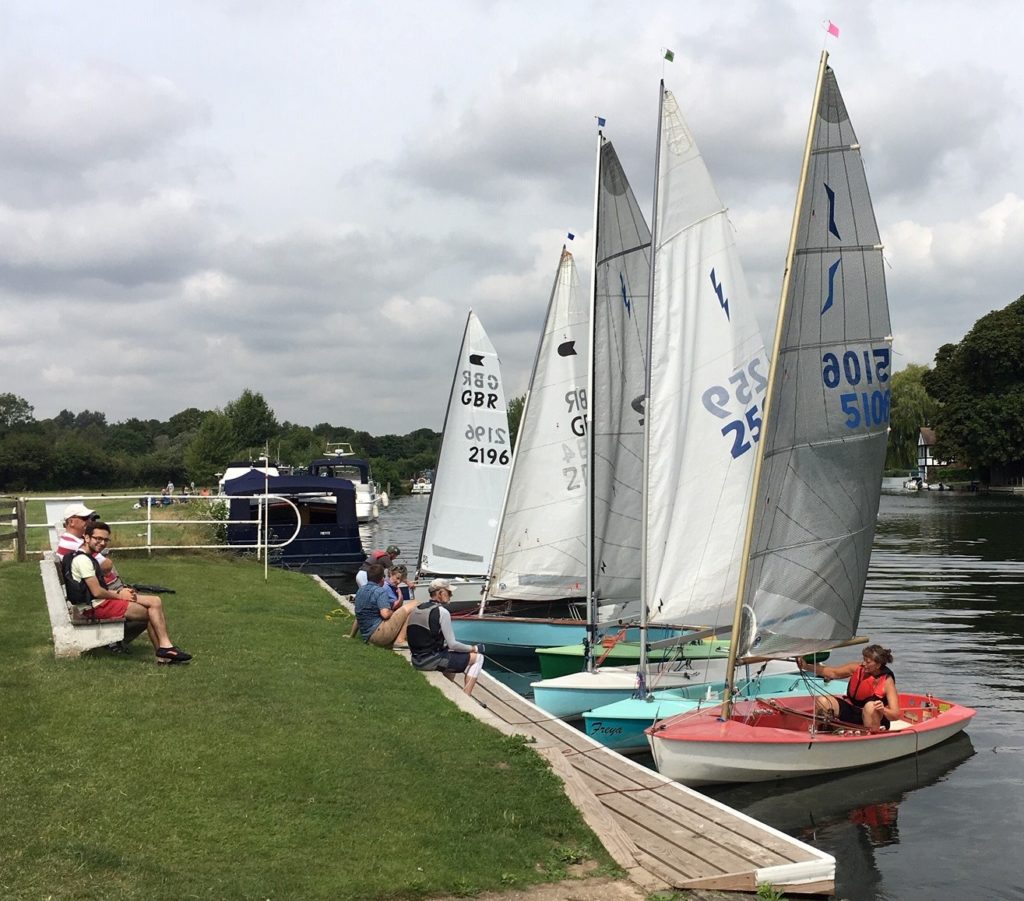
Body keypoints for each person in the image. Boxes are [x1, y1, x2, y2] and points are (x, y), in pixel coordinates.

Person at [62, 521, 192, 665]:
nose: (102, 543)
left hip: (96, 603)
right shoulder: (83, 560)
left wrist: (120, 591)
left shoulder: (85, 556)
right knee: (152, 611)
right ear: (86, 538)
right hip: (94, 607)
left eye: (105, 539)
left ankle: (165, 650)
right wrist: (120, 595)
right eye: (97, 538)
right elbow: (97, 592)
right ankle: (165, 651)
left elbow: (95, 591)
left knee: (155, 601)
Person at [55, 503, 145, 652]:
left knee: (148, 604)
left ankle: (115, 641)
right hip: (96, 596)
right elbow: (107, 565)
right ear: (71, 522)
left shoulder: (72, 541)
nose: (90, 522)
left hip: (97, 591)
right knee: (146, 610)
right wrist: (119, 593)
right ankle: (113, 642)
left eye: (90, 519)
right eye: (85, 519)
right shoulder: (76, 545)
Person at [406, 578, 484, 698]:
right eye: (448, 592)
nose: (451, 595)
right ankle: (466, 697)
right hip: (430, 662)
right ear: (440, 593)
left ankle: (447, 691)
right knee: (478, 658)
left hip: (416, 660)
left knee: (450, 654)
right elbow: (453, 644)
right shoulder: (442, 612)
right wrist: (473, 648)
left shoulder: (417, 608)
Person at [798, 644, 900, 732]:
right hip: (853, 712)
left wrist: (883, 710)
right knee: (823, 701)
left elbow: (895, 715)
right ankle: (821, 733)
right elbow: (832, 672)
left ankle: (870, 739)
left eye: (868, 662)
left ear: (878, 665)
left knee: (870, 707)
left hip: (875, 719)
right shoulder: (857, 668)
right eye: (864, 660)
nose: (864, 664)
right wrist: (806, 666)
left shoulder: (887, 682)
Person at [353, 563, 415, 648]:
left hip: (367, 636)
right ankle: (400, 640)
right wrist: (400, 598)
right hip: (378, 634)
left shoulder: (360, 590)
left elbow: (359, 615)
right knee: (414, 604)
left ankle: (402, 638)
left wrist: (351, 635)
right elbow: (385, 614)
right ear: (381, 578)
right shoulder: (381, 591)